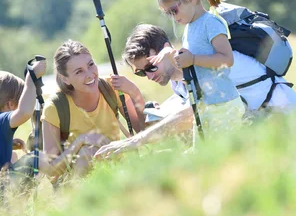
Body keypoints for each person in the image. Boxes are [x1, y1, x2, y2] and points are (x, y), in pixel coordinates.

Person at [95, 23, 296, 159]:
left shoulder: (201, 61)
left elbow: (192, 114)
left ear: (166, 49)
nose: (149, 76)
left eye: (150, 67)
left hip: (282, 119)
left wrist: (134, 142)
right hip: (257, 119)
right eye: (141, 73)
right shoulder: (178, 81)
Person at [0, 62, 100, 198]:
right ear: (10, 105)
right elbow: (24, 112)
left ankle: (14, 208)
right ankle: (64, 181)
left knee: (13, 157)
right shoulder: (0, 120)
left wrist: (6, 143)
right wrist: (31, 79)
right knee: (36, 158)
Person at [151, 0, 245, 140]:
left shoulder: (211, 22)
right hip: (203, 106)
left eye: (173, 10)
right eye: (167, 13)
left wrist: (193, 59)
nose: (172, 17)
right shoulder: (189, 27)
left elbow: (227, 59)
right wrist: (175, 58)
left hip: (222, 105)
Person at [41, 39, 145, 179]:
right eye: (79, 72)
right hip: (75, 183)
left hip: (118, 172)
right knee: (86, 153)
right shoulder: (55, 107)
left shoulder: (111, 88)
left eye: (91, 65)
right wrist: (80, 141)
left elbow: (144, 132)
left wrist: (135, 92)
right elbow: (50, 169)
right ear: (65, 79)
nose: (90, 74)